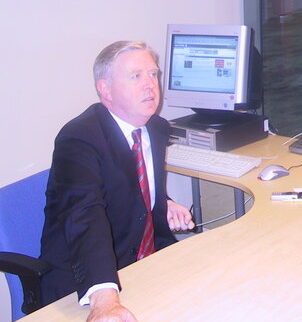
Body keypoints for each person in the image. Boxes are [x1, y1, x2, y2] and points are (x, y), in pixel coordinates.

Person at [40, 41, 195, 322]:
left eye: (153, 74)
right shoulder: (79, 139)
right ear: (105, 90)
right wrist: (104, 300)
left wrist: (164, 202)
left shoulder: (155, 128)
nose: (150, 85)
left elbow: (128, 181)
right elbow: (84, 215)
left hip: (144, 263)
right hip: (87, 277)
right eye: (136, 76)